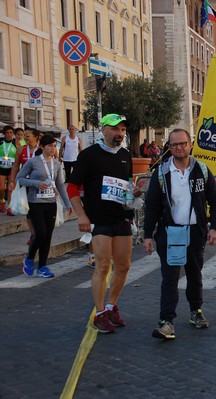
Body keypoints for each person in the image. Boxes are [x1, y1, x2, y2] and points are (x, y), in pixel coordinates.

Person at [143, 128, 216, 340]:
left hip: (196, 231)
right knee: (169, 277)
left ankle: (196, 311)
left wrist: (214, 226)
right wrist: (148, 234)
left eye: (183, 143)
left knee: (194, 273)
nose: (179, 147)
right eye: (174, 144)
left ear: (190, 144)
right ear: (169, 147)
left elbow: (214, 199)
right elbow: (151, 206)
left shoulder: (202, 170)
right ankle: (166, 321)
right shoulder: (161, 173)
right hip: (170, 232)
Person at [67, 113, 141, 334]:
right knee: (102, 265)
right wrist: (81, 215)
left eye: (123, 130)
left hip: (121, 218)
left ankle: (111, 306)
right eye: (115, 129)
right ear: (103, 130)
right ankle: (99, 314)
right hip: (99, 220)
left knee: (124, 265)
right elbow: (72, 187)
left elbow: (127, 184)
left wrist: (133, 192)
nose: (120, 133)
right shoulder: (89, 155)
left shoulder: (126, 156)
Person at [18, 134, 72, 278]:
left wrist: (67, 203)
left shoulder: (57, 164)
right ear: (42, 147)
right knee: (40, 233)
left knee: (48, 236)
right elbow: (20, 178)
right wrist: (36, 183)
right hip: (36, 202)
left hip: (51, 202)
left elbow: (60, 185)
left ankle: (42, 266)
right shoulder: (33, 162)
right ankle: (29, 258)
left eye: (55, 146)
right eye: (50, 146)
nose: (53, 149)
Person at [9, 129, 41, 242]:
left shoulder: (42, 149)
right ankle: (33, 234)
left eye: (28, 136)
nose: (26, 138)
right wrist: (12, 180)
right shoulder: (21, 149)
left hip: (40, 184)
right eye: (25, 136)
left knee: (38, 208)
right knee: (29, 209)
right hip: (25, 183)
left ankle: (40, 231)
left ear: (36, 137)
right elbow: (16, 166)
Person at [0, 125, 17, 215]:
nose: (9, 134)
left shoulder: (15, 143)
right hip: (1, 168)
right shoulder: (0, 142)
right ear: (4, 133)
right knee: (2, 188)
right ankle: (2, 202)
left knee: (11, 189)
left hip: (11, 169)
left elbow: (17, 156)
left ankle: (10, 207)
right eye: (7, 133)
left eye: (11, 133)